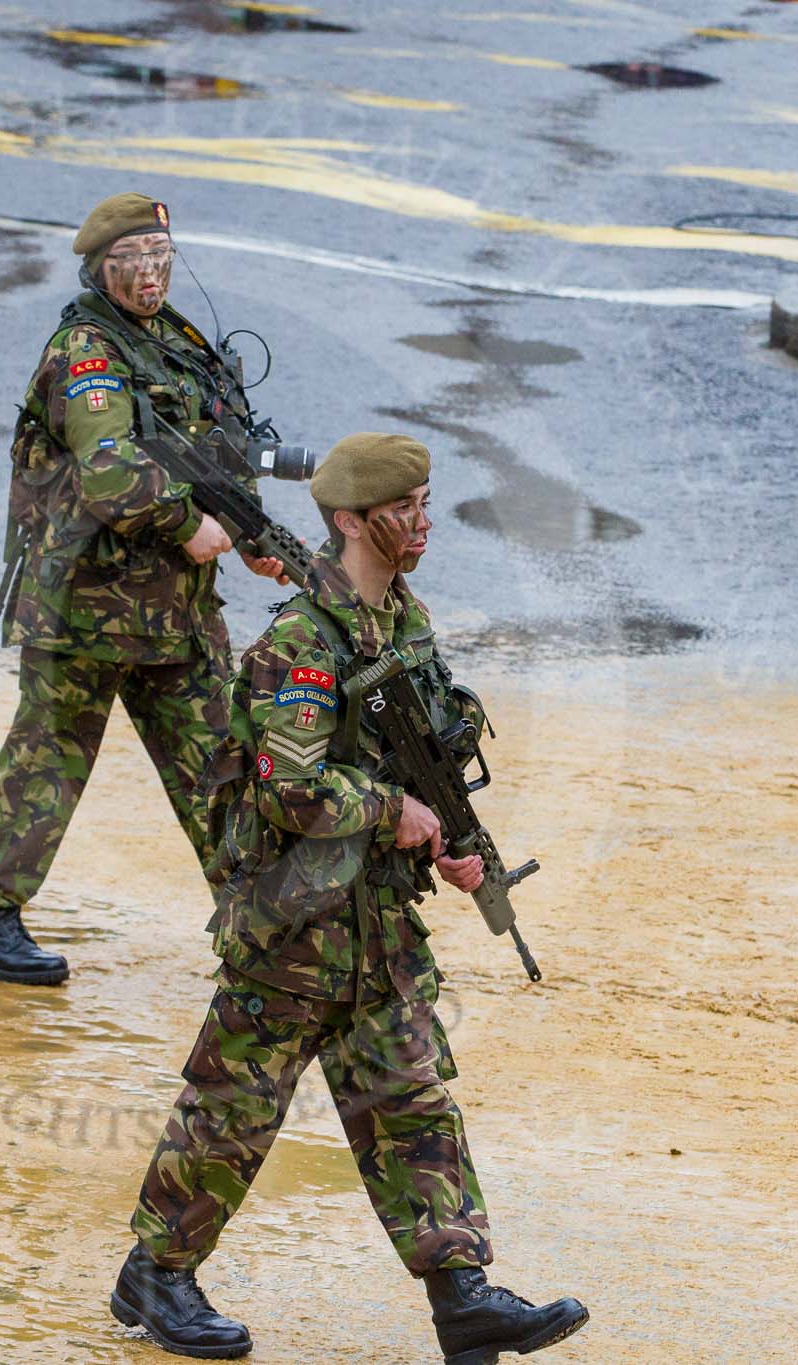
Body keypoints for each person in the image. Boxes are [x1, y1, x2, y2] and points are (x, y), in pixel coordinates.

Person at [112, 435, 588, 1363]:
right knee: (234, 1107)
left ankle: (463, 1295)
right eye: (403, 508)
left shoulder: (401, 622)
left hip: (374, 926)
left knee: (413, 1101)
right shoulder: (302, 641)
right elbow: (284, 788)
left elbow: (420, 758)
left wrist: (449, 841)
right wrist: (390, 811)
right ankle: (157, 1273)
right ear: (348, 521)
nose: (422, 521)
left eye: (425, 501)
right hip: (293, 925)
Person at [0, 193, 284, 985]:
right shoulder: (88, 353)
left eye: (160, 258)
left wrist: (246, 535)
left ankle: (258, 926)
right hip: (86, 607)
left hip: (175, 611)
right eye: (132, 261)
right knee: (48, 758)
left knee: (221, 760)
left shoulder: (174, 342)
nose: (150, 274)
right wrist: (187, 526)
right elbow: (108, 469)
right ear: (99, 268)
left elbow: (214, 454)